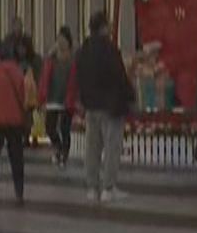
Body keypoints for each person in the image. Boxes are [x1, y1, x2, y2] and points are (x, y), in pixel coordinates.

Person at [75, 10, 133, 202]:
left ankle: (92, 187)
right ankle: (109, 187)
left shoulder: (83, 50)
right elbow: (119, 76)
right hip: (111, 106)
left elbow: (79, 77)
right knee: (111, 147)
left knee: (92, 148)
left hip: (91, 106)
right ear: (103, 27)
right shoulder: (109, 49)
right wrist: (130, 96)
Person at [0, 42, 29, 203]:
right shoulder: (18, 72)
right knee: (16, 156)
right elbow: (23, 95)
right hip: (15, 120)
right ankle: (19, 190)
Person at [39, 28, 79, 169]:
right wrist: (42, 97)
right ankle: (59, 147)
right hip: (53, 98)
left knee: (64, 128)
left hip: (68, 98)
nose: (61, 43)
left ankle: (64, 154)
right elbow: (44, 78)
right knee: (50, 127)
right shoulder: (51, 58)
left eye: (63, 40)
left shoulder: (74, 59)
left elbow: (76, 80)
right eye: (59, 39)